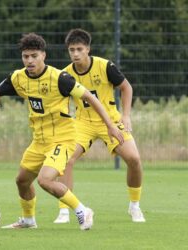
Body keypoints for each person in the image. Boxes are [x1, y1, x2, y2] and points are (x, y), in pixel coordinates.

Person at [0, 33, 124, 230]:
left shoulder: (60, 78)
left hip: (62, 139)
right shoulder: (19, 77)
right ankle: (28, 220)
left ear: (44, 55)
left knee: (45, 180)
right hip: (39, 140)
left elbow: (90, 98)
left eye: (34, 56)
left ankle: (82, 210)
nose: (29, 60)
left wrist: (110, 125)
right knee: (22, 181)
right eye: (26, 56)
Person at [54, 28, 145, 224]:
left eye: (79, 49)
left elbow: (126, 87)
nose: (75, 54)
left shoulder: (105, 66)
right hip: (82, 124)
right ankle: (64, 211)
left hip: (110, 121)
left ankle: (134, 206)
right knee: (66, 161)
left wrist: (126, 116)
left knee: (134, 159)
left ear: (88, 49)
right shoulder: (65, 75)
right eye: (72, 50)